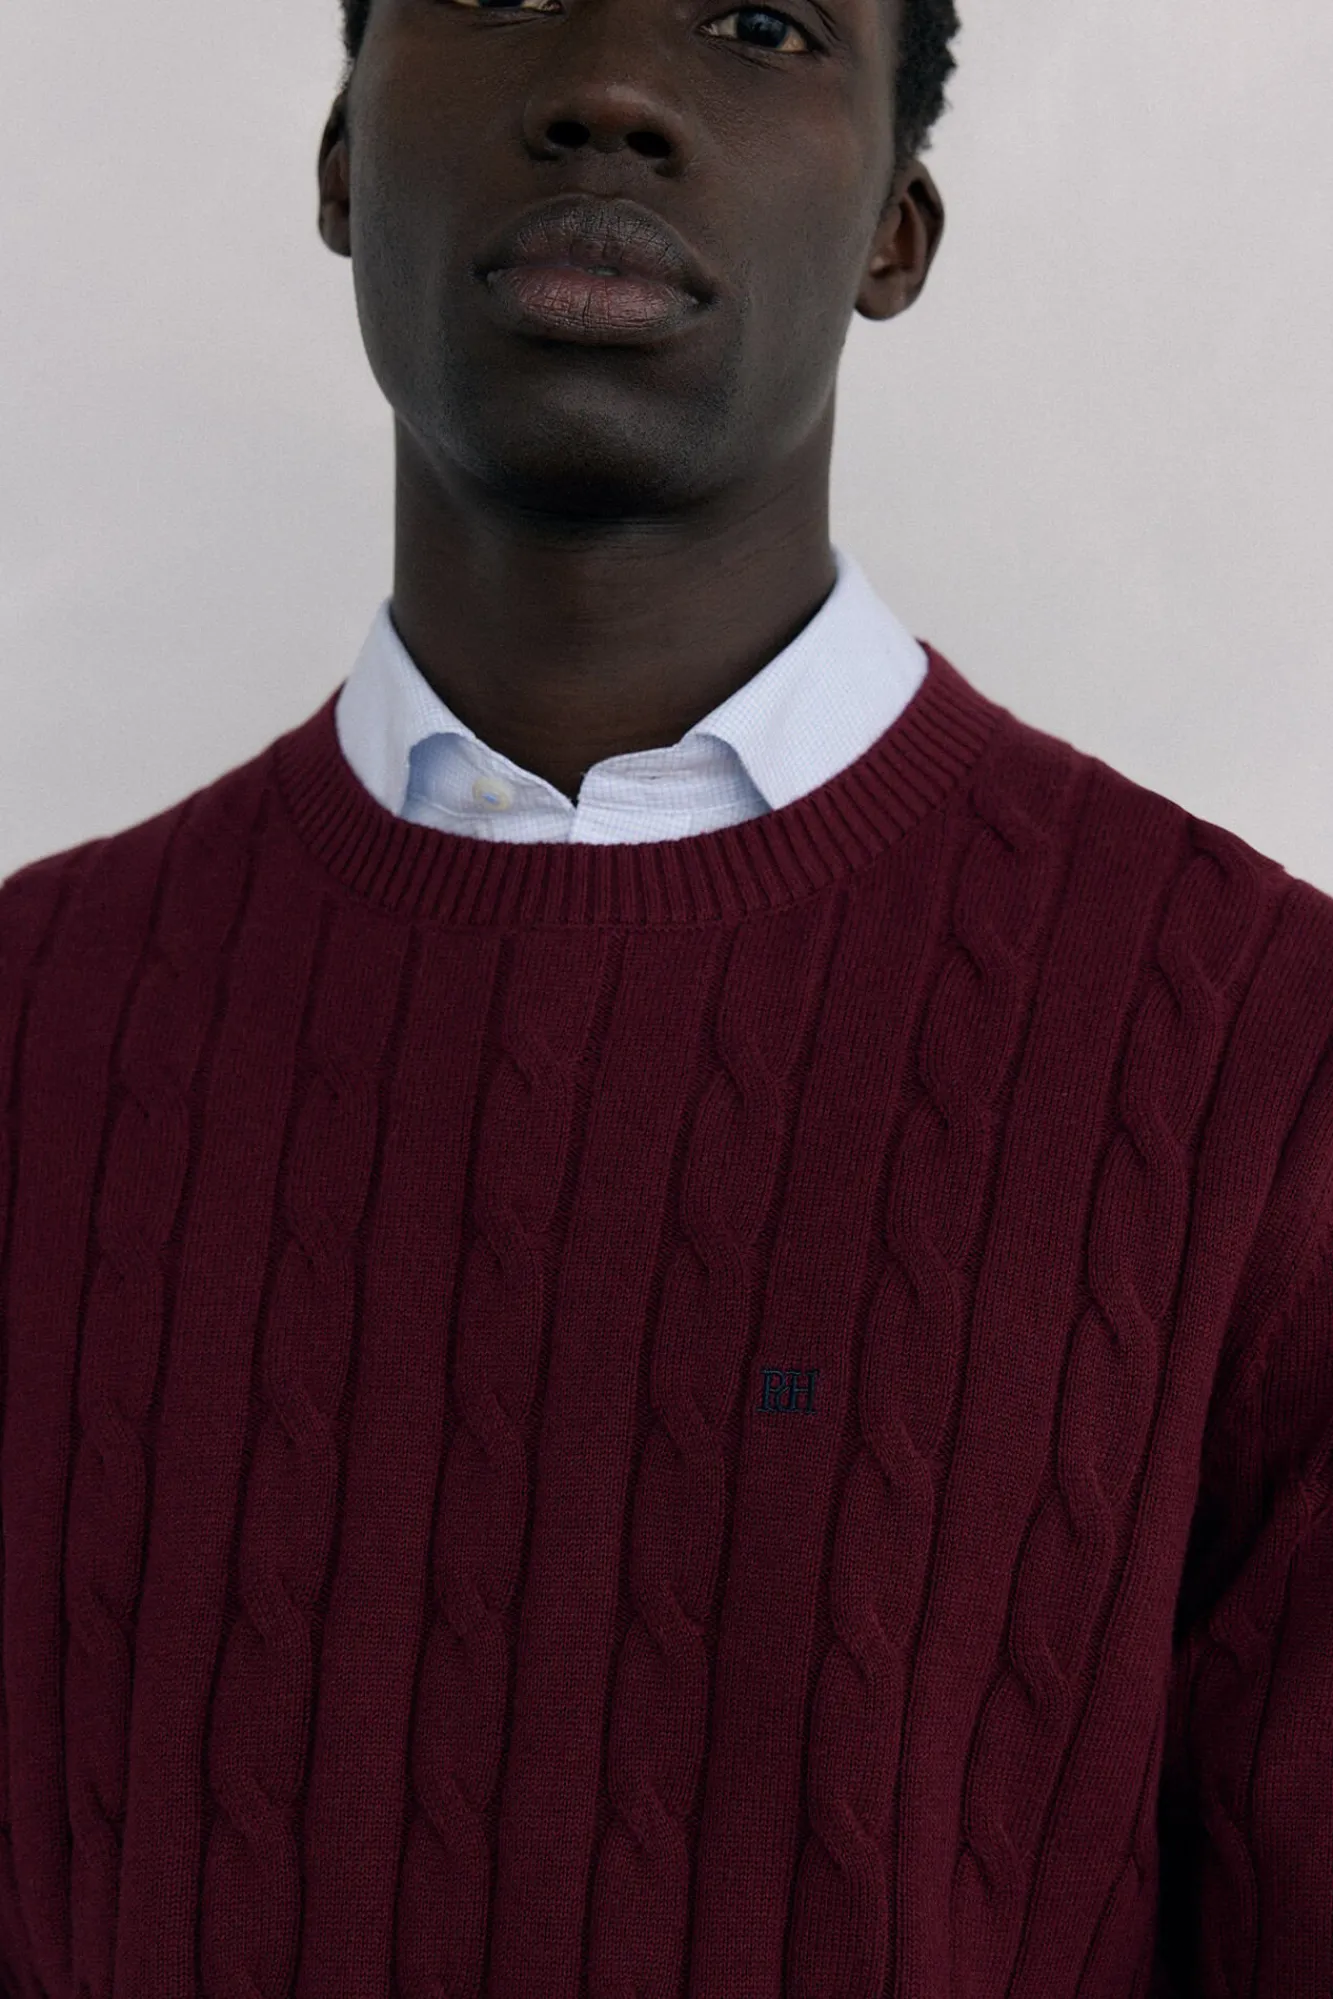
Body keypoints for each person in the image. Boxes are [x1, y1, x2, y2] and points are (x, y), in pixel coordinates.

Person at [1, 0, 1329, 1992]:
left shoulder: (1264, 1059)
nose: (610, 90)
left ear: (895, 231)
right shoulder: (32, 1034)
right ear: (344, 164)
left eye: (760, 24)